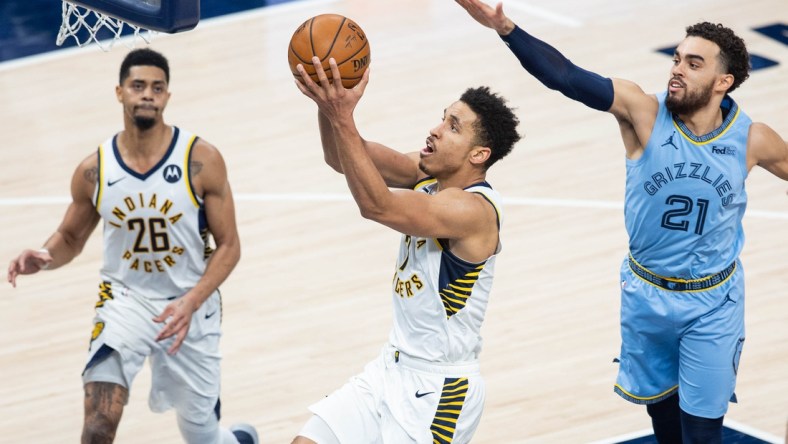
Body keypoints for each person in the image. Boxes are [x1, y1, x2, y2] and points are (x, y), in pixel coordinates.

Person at [454, 1, 788, 443]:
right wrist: (505, 27)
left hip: (713, 304)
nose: (677, 70)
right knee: (665, 428)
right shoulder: (642, 112)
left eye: (694, 63)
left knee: (704, 432)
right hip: (646, 296)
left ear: (722, 81)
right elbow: (567, 78)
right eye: (676, 59)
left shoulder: (753, 139)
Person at [6, 48, 258, 444]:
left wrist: (192, 301)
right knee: (98, 427)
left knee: (202, 436)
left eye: (157, 88)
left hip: (190, 303)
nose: (148, 94)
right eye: (138, 86)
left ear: (168, 97)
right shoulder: (95, 169)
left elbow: (229, 247)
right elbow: (71, 237)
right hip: (125, 301)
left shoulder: (201, 159)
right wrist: (45, 257)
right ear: (120, 92)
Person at [290, 57, 521, 443]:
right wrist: (326, 102)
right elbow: (342, 157)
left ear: (478, 154)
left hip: (439, 389)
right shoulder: (427, 173)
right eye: (442, 118)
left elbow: (377, 206)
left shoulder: (472, 211)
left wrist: (342, 116)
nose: (435, 130)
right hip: (390, 367)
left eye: (452, 127)